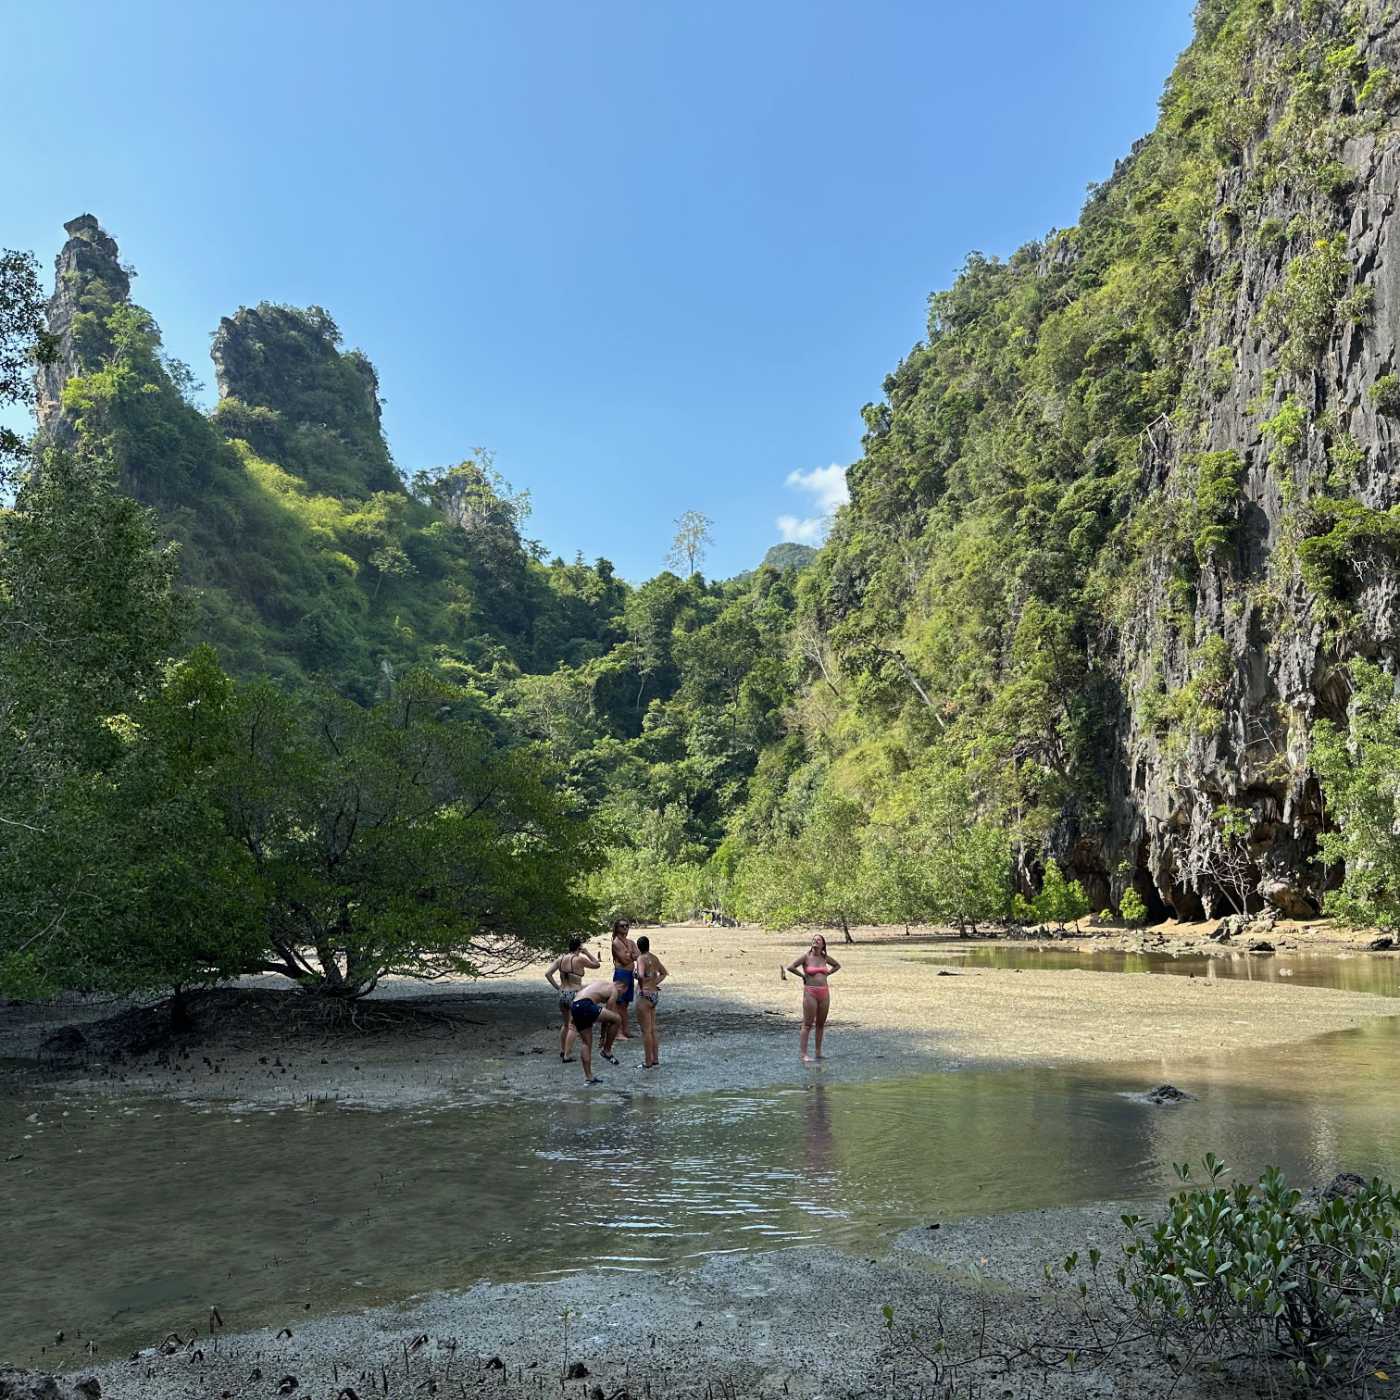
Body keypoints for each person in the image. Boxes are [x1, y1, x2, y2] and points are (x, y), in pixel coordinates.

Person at [781, 934, 841, 1063]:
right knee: (807, 1024)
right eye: (814, 939)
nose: (815, 941)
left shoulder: (825, 958)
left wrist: (828, 974)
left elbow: (837, 965)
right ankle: (804, 1054)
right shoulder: (806, 957)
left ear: (823, 944)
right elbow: (791, 967)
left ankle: (818, 1052)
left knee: (820, 1024)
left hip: (824, 992)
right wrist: (803, 976)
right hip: (810, 992)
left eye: (818, 940)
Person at [544, 935, 600, 1061]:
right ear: (579, 947)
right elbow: (596, 965)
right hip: (574, 994)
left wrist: (557, 988)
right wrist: (587, 952)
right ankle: (567, 1055)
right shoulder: (579, 959)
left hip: (563, 993)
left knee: (565, 1024)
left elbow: (548, 974)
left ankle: (562, 1050)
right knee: (573, 1025)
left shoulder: (560, 959)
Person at [568, 977, 624, 1084]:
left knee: (586, 1043)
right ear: (621, 987)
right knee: (617, 1019)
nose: (620, 996)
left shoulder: (600, 982)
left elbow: (582, 994)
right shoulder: (614, 989)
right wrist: (603, 1036)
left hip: (575, 1005)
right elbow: (608, 1016)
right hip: (585, 1004)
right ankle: (607, 1051)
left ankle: (589, 1078)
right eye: (623, 993)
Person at [634, 934, 669, 1069]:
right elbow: (664, 973)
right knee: (653, 1029)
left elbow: (641, 975)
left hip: (644, 996)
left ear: (638, 947)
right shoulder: (654, 958)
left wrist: (642, 988)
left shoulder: (641, 958)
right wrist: (655, 983)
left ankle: (648, 1062)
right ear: (648, 945)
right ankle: (655, 1059)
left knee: (646, 1031)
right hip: (654, 995)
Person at [610, 918, 639, 1040]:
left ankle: (625, 1030)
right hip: (621, 973)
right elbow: (624, 960)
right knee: (619, 1004)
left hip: (629, 974)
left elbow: (638, 956)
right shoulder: (616, 942)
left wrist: (630, 954)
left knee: (625, 1004)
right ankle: (618, 1032)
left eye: (627, 925)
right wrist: (631, 955)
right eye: (622, 926)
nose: (625, 928)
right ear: (617, 928)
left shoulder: (630, 942)